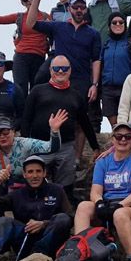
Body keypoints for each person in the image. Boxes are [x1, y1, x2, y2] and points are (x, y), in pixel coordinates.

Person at [26, 0, 103, 157]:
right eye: (76, 7)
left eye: (82, 7)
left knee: (80, 122)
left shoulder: (93, 33)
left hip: (82, 81)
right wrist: (37, 0)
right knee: (54, 117)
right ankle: (50, 154)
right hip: (58, 79)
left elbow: (96, 60)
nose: (79, 10)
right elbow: (31, 23)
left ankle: (76, 160)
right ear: (70, 8)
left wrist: (94, 84)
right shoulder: (58, 26)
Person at [73, 123, 131, 261]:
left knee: (119, 214)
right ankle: (82, 251)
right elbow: (95, 191)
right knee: (83, 207)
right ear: (112, 139)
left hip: (130, 206)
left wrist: (119, 205)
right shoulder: (103, 161)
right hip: (106, 202)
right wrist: (99, 203)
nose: (123, 140)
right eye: (118, 136)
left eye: (127, 136)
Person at [21, 56, 101, 201]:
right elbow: (26, 119)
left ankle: (65, 214)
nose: (60, 71)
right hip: (40, 145)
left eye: (64, 68)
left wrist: (95, 147)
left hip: (65, 146)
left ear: (70, 71)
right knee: (35, 182)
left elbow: (85, 123)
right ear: (50, 70)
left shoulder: (76, 95)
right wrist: (26, 144)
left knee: (66, 186)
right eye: (56, 68)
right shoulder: (37, 90)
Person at [0, 0, 50, 98]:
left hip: (39, 57)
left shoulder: (45, 16)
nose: (29, 1)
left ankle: (34, 115)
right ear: (22, 3)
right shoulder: (19, 17)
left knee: (37, 89)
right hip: (22, 56)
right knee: (20, 89)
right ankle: (19, 114)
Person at [100, 12, 131, 127]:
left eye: (121, 22)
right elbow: (100, 64)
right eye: (114, 22)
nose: (118, 24)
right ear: (109, 25)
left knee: (127, 123)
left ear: (125, 24)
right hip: (108, 88)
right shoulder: (106, 44)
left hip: (127, 87)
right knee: (115, 126)